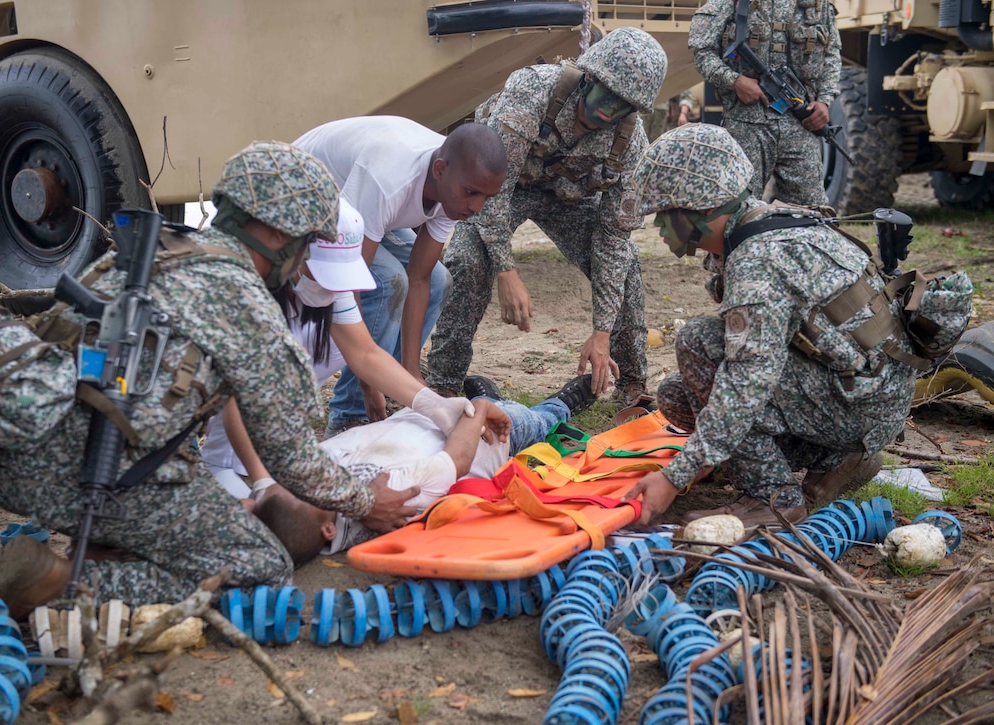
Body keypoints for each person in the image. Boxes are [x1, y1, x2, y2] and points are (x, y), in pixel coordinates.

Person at [0, 142, 434, 616]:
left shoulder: (158, 251)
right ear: (278, 234)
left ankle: (110, 540)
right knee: (261, 564)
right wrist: (362, 501)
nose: (305, 258)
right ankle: (61, 579)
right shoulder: (246, 303)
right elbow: (292, 457)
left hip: (5, 446)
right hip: (87, 473)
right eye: (308, 241)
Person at [624, 124, 914, 527]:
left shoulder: (758, 260)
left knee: (699, 345)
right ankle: (838, 458)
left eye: (664, 214)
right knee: (677, 394)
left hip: (861, 403)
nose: (659, 227)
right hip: (868, 394)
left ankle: (773, 497)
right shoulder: (770, 221)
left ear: (701, 209)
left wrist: (675, 477)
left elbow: (746, 384)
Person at [425, 28, 668, 415]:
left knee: (627, 268)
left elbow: (612, 237)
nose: (610, 110)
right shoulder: (533, 91)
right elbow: (494, 191)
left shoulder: (631, 142)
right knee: (469, 260)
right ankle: (442, 380)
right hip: (507, 187)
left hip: (571, 199)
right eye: (606, 95)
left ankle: (634, 385)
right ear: (589, 77)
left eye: (624, 105)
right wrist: (506, 269)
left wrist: (601, 332)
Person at [199, 198, 476, 498]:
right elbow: (237, 394)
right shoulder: (242, 289)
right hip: (218, 427)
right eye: (321, 274)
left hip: (274, 433)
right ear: (290, 250)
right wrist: (264, 483)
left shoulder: (326, 286)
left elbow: (365, 353)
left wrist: (433, 405)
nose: (330, 287)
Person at [292, 117, 508, 436]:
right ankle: (350, 415)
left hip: (360, 204)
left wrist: (414, 378)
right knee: (387, 283)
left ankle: (395, 386)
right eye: (472, 194)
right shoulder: (389, 178)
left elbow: (421, 279)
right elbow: (350, 285)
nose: (476, 207)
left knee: (438, 280)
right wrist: (366, 383)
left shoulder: (456, 186)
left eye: (486, 198)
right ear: (439, 170)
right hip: (303, 195)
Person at [248, 374, 598, 564]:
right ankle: (561, 405)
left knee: (494, 404)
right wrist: (478, 407)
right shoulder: (390, 498)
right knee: (532, 420)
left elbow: (258, 492)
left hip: (431, 414)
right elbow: (458, 459)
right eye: (309, 491)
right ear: (328, 529)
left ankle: (491, 395)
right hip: (485, 438)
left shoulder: (285, 492)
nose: (309, 479)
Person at [688, 0, 840, 205]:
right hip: (746, 124)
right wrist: (735, 81)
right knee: (738, 208)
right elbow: (702, 52)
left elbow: (831, 54)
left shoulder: (817, 5)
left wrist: (824, 101)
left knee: (811, 210)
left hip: (799, 123)